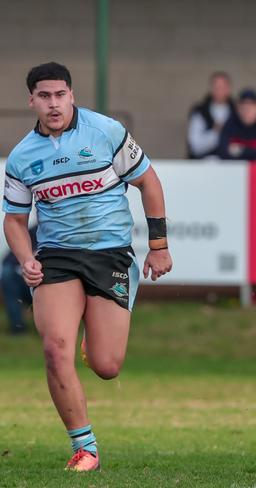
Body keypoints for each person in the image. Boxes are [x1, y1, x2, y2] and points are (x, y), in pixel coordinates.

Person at [2, 62, 173, 471]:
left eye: (60, 94)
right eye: (44, 96)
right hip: (56, 257)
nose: (53, 103)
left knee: (106, 366)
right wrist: (26, 257)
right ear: (32, 101)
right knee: (53, 347)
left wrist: (159, 246)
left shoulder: (106, 132)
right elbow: (13, 219)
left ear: (72, 95)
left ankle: (92, 339)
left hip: (110, 254)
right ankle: (85, 448)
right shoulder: (23, 157)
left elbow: (148, 182)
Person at [216, 88, 256, 161]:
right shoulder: (230, 124)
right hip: (236, 169)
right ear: (237, 108)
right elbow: (222, 152)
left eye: (251, 106)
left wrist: (241, 151)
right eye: (243, 107)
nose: (247, 110)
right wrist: (255, 152)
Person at [187, 71, 234, 159]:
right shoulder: (200, 111)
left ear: (228, 89)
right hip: (203, 164)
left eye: (223, 87)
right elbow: (195, 146)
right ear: (211, 88)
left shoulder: (237, 112)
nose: (219, 91)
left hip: (231, 165)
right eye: (216, 87)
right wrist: (216, 132)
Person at [1, 226, 37, 334]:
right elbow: (8, 260)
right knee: (7, 273)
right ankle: (18, 326)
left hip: (54, 282)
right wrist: (26, 260)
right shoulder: (30, 232)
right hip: (28, 283)